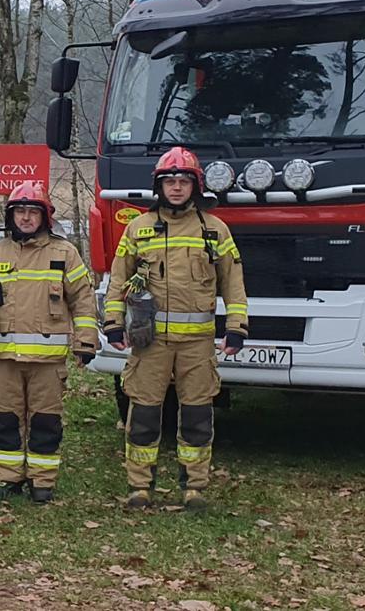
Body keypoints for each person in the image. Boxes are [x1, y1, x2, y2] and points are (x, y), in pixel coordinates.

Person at [102, 147, 248, 511]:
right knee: (145, 414)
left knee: (198, 414)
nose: (177, 188)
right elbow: (118, 280)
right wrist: (114, 324)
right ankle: (140, 486)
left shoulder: (215, 230)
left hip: (197, 345)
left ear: (195, 187)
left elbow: (233, 283)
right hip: (149, 344)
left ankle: (194, 486)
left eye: (184, 182)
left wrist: (236, 327)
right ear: (159, 186)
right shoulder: (138, 229)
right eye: (170, 182)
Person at [0, 181, 98, 504]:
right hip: (4, 359)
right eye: (19, 212)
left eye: (32, 212)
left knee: (45, 421)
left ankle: (42, 480)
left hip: (48, 363)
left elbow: (84, 302)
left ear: (44, 216)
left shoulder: (64, 254)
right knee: (4, 420)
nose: (25, 218)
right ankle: (7, 478)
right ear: (10, 216)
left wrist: (85, 343)